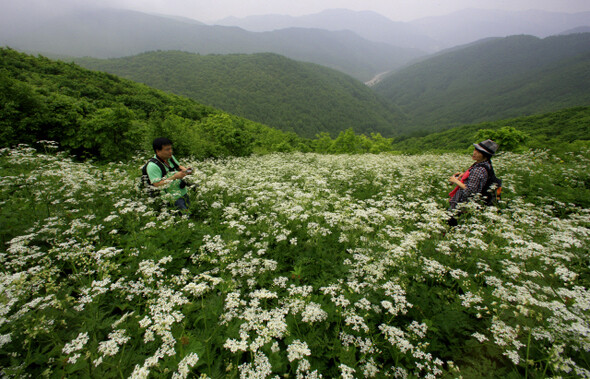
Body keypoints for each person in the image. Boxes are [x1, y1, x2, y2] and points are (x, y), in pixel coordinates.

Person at [447, 139, 499, 225]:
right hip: (468, 205)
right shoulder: (485, 164)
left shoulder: (479, 169)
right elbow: (477, 179)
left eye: (478, 152)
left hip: (464, 205)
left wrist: (456, 181)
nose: (474, 153)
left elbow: (471, 191)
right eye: (475, 150)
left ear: (485, 155)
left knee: (452, 224)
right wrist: (463, 175)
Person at [144, 137, 192, 211]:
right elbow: (156, 184)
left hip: (183, 192)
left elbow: (178, 166)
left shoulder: (170, 157)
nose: (170, 151)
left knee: (189, 213)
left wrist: (185, 170)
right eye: (167, 149)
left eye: (171, 148)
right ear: (158, 151)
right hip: (172, 198)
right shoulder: (152, 166)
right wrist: (174, 177)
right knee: (184, 217)